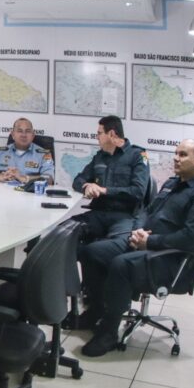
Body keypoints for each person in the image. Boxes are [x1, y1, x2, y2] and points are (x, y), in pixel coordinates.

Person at [79, 139, 194, 357]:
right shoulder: (172, 183)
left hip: (166, 259)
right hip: (142, 242)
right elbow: (146, 211)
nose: (176, 158)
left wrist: (149, 242)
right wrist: (137, 232)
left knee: (119, 264)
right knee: (91, 252)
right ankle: (97, 309)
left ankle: (108, 333)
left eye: (183, 155)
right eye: (176, 153)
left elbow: (189, 239)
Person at [67, 116, 150, 329]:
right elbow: (78, 179)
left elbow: (138, 192)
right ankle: (76, 301)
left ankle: (99, 307)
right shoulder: (100, 157)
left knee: (100, 251)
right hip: (98, 215)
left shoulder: (138, 156)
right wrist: (86, 186)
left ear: (112, 134)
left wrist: (105, 190)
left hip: (124, 217)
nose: (97, 137)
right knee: (61, 236)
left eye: (99, 133)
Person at [0, 118, 54, 184]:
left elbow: (48, 178)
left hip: (30, 196)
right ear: (13, 134)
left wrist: (23, 178)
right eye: (19, 131)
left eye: (27, 131)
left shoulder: (44, 154)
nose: (23, 135)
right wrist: (2, 177)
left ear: (32, 136)